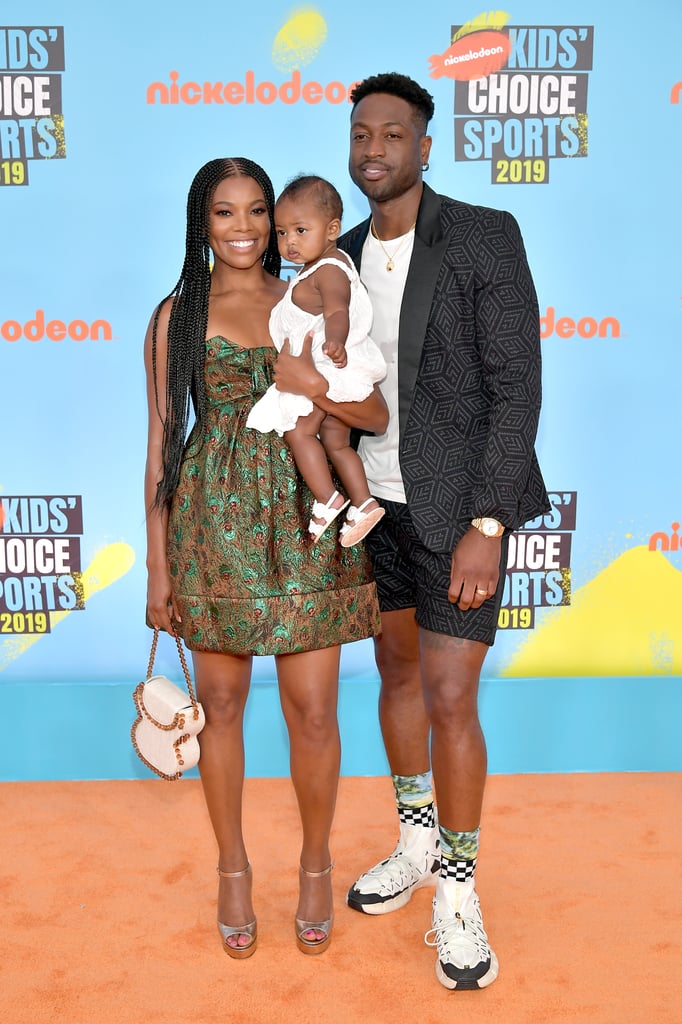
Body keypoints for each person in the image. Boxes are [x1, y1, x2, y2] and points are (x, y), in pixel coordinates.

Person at [273, 74, 549, 990]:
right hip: (375, 510)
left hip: (460, 511)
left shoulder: (482, 236)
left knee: (450, 696)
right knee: (394, 675)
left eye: (394, 134)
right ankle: (416, 840)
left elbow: (517, 392)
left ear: (425, 148)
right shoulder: (335, 258)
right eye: (361, 134)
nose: (374, 149)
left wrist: (489, 521)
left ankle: (460, 891)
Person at [143, 157, 387, 960]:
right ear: (200, 223)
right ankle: (234, 870)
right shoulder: (177, 316)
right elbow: (160, 445)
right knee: (220, 707)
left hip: (304, 512)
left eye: (257, 212)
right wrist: (157, 566)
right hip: (212, 523)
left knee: (314, 711)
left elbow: (369, 408)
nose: (245, 229)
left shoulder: (312, 297)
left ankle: (316, 866)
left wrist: (312, 382)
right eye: (225, 213)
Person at [246, 174, 387, 547]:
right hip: (333, 368)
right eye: (281, 232)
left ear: (332, 229)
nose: (289, 242)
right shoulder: (316, 267)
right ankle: (364, 502)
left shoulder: (328, 269)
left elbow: (338, 310)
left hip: (329, 367)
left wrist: (336, 343)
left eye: (300, 230)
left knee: (299, 432)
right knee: (336, 442)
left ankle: (327, 499)